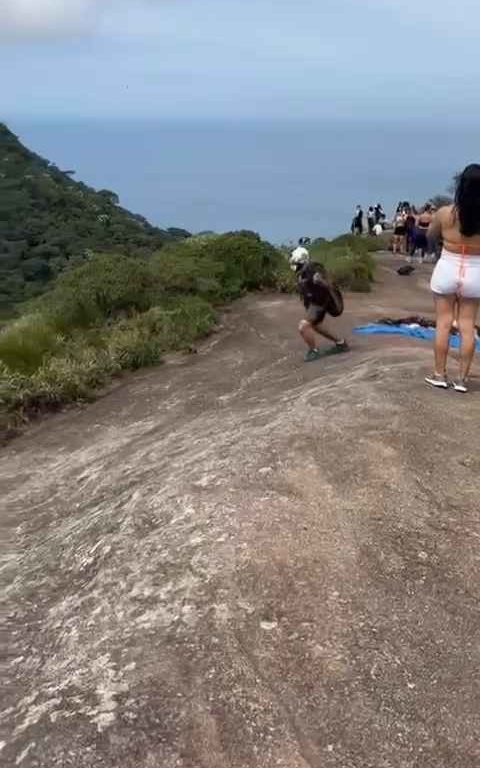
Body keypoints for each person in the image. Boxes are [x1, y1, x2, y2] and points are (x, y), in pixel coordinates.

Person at [426, 164, 480, 392]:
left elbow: (430, 236)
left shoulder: (445, 213)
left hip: (448, 265)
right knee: (467, 326)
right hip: (476, 269)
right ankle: (462, 380)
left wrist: (439, 251)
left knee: (443, 324)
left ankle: (439, 374)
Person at [289, 249, 348, 362]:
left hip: (323, 301)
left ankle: (313, 351)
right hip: (316, 302)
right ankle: (341, 343)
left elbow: (327, 283)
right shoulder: (302, 272)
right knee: (316, 325)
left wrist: (321, 281)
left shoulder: (313, 269)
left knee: (303, 326)